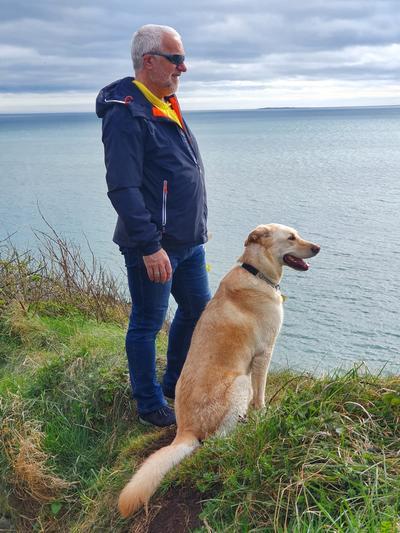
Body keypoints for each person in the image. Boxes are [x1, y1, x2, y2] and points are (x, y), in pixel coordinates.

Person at [96, 25, 211, 427]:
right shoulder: (126, 112)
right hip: (155, 244)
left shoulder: (166, 101)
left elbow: (178, 174)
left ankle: (173, 383)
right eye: (176, 59)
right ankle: (148, 405)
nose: (184, 67)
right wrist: (148, 246)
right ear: (149, 61)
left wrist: (197, 223)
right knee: (146, 322)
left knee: (198, 310)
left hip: (189, 241)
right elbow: (123, 187)